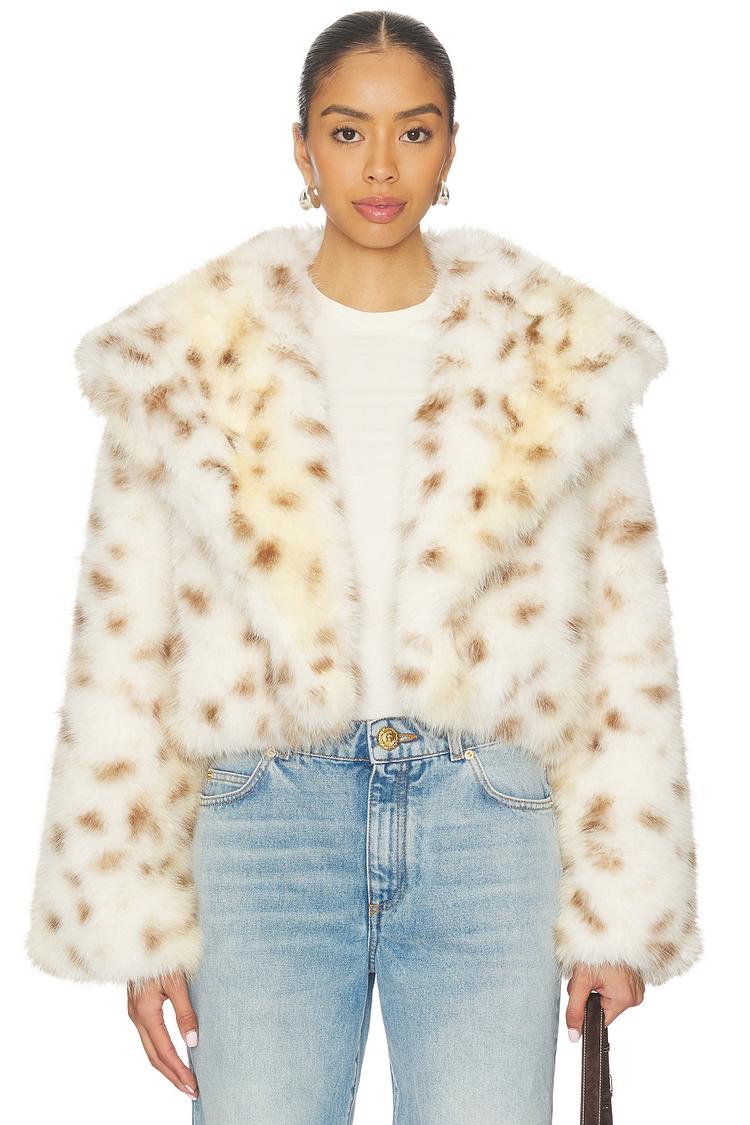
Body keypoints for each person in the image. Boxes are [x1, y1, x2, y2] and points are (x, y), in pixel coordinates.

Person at [25, 10, 702, 1123]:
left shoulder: (557, 357)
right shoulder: (188, 359)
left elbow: (627, 645)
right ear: (301, 147)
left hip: (489, 822)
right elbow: (123, 642)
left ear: (451, 146)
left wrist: (620, 912)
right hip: (265, 824)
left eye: (413, 131)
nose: (381, 166)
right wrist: (135, 922)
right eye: (347, 132)